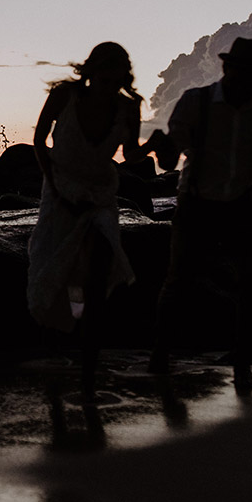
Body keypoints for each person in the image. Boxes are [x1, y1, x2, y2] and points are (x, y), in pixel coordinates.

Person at [146, 37, 252, 390]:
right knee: (178, 282)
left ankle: (243, 364)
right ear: (227, 68)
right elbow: (169, 159)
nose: (251, 81)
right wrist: (160, 147)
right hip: (197, 204)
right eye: (245, 72)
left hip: (243, 203)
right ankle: (161, 355)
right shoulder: (197, 102)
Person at [27, 41, 145, 401]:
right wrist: (55, 188)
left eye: (115, 80)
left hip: (100, 198)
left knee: (96, 276)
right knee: (60, 272)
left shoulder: (128, 108)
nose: (109, 87)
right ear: (90, 72)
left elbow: (131, 154)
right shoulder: (65, 96)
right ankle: (59, 338)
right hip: (59, 194)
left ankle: (88, 368)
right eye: (103, 78)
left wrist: (154, 144)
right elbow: (37, 140)